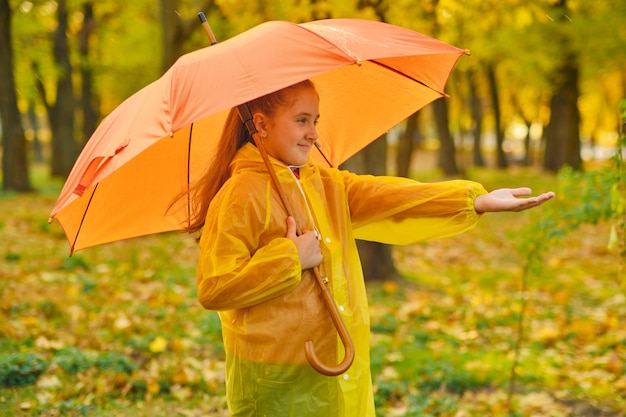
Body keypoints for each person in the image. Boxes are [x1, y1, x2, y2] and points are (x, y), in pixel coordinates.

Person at [188, 79, 555, 417]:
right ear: (261, 124)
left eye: (315, 120)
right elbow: (215, 286)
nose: (314, 133)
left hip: (334, 365)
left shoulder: (324, 183)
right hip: (272, 375)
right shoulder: (240, 195)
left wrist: (474, 200)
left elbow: (391, 197)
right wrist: (290, 258)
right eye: (302, 120)